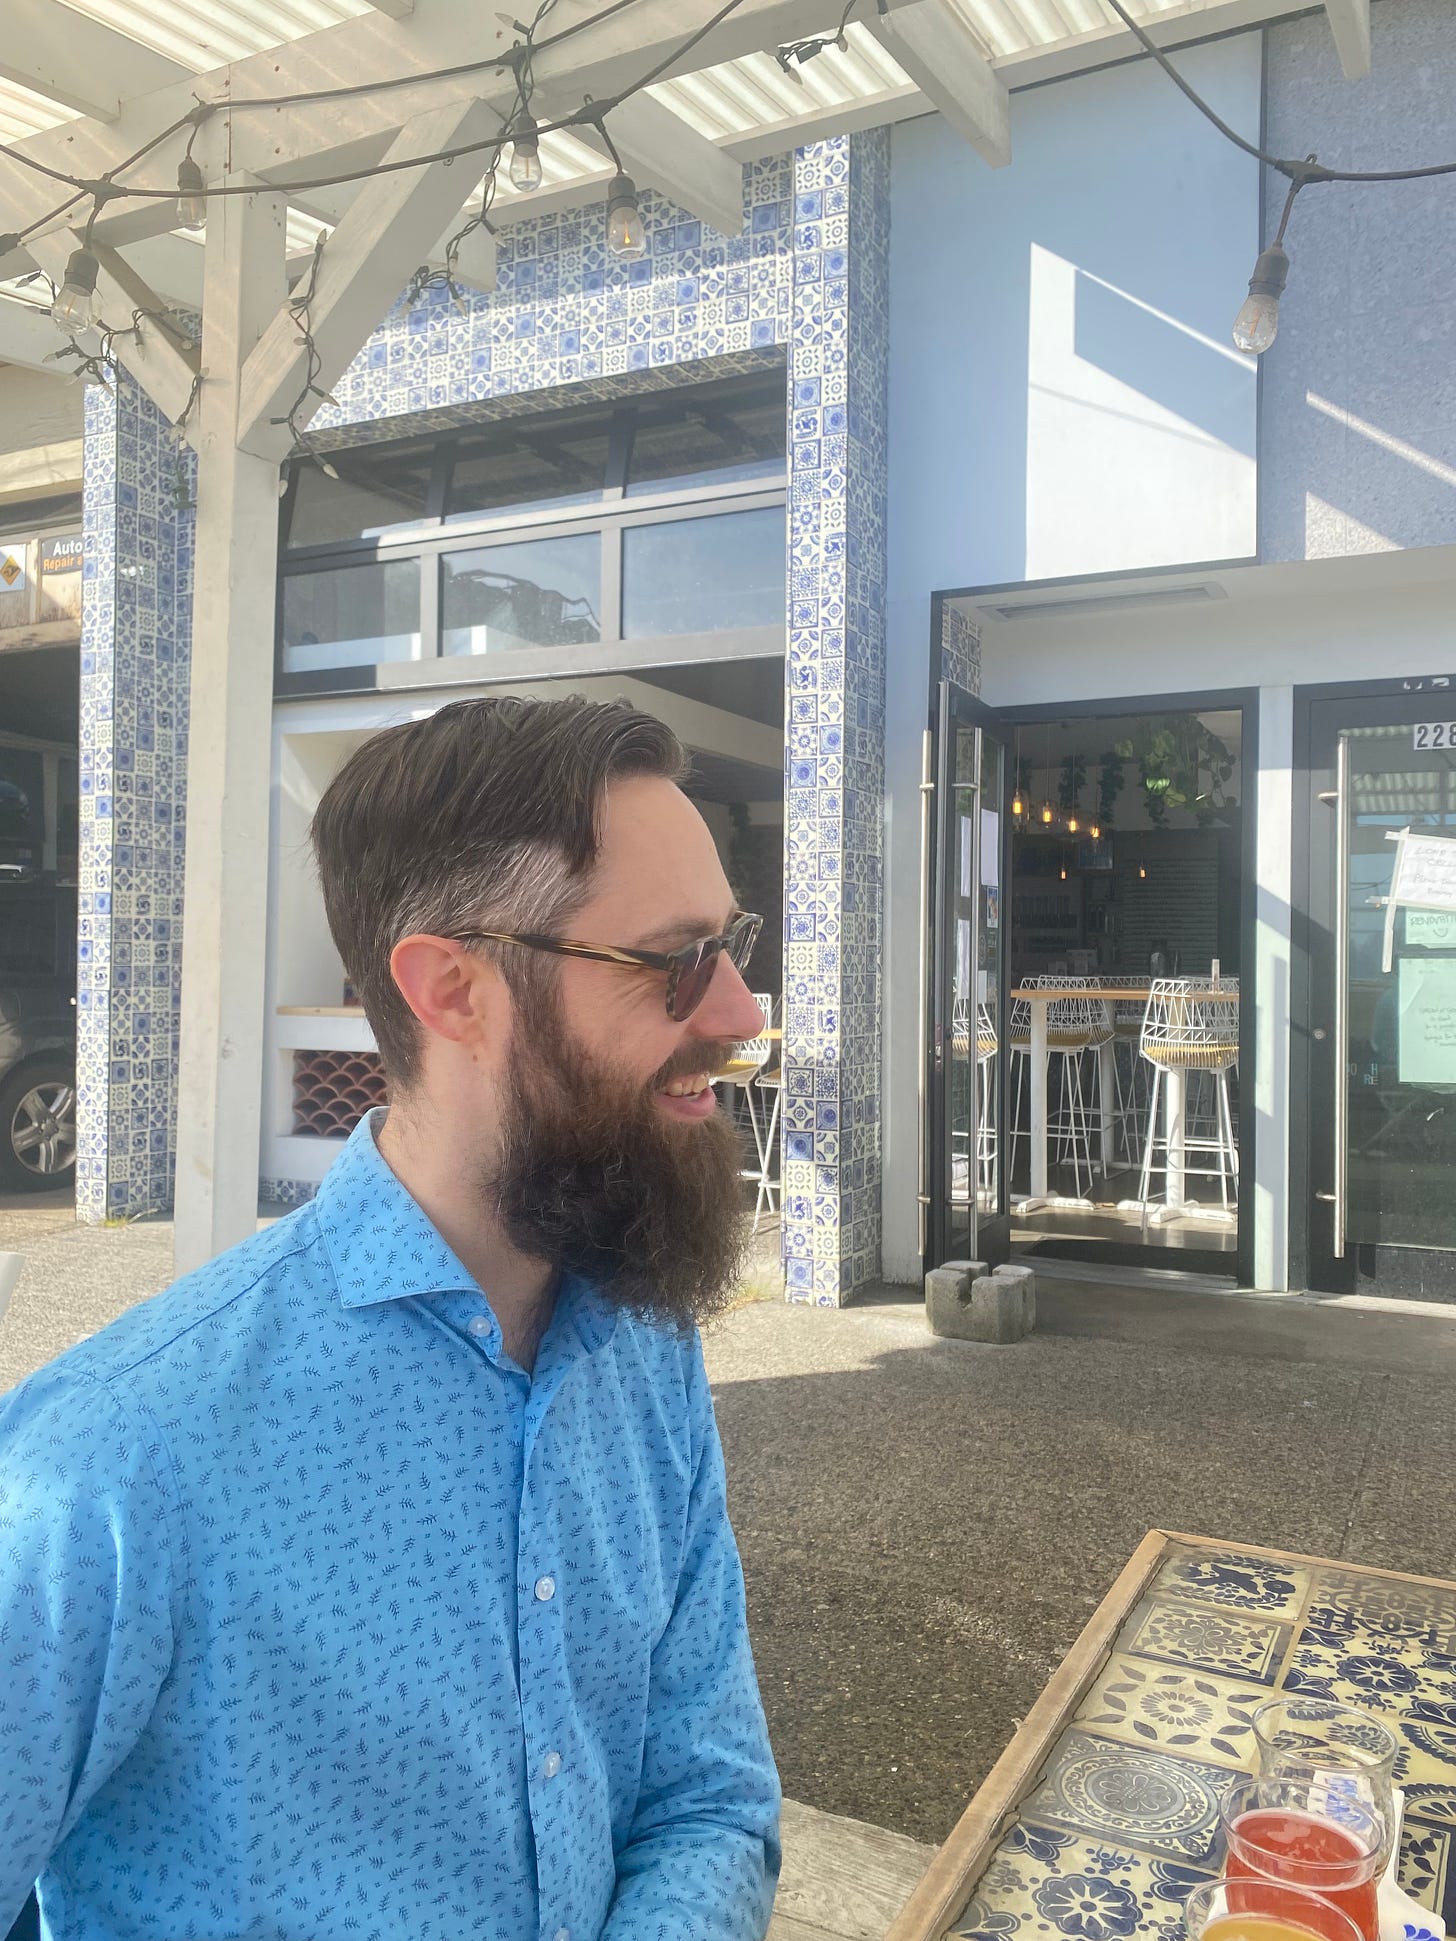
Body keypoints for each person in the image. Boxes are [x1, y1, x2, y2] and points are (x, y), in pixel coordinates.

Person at [0, 696, 782, 1941]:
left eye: (732, 945)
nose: (742, 1015)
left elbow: (707, 1800)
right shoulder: (117, 1458)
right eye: (677, 960)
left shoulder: (645, 1351)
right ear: (454, 990)